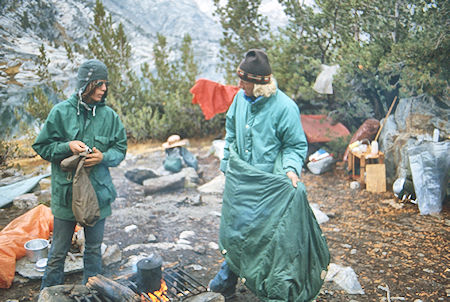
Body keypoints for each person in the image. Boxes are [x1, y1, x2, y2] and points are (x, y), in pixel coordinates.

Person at [209, 49, 328, 300]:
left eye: (245, 81)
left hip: (269, 186)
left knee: (265, 236)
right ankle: (226, 279)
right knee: (235, 230)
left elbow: (295, 145)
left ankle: (265, 282)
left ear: (259, 83)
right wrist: (227, 163)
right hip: (242, 181)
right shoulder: (240, 100)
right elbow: (231, 133)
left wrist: (290, 169)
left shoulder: (284, 107)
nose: (239, 84)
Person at [33, 59, 127, 289]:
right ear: (86, 84)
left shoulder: (109, 117)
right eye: (99, 84)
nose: (104, 89)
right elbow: (42, 146)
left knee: (94, 250)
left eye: (105, 84)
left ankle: (92, 292)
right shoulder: (61, 113)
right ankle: (49, 293)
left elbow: (120, 148)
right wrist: (67, 147)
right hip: (66, 195)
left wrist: (103, 157)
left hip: (98, 195)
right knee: (58, 252)